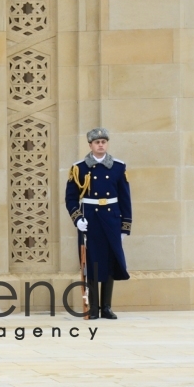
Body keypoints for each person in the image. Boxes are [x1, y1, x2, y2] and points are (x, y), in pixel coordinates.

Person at [65, 128, 131, 320]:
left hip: (111, 219)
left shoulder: (118, 167)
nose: (101, 144)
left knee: (110, 262)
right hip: (90, 220)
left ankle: (106, 307)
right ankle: (93, 307)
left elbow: (125, 199)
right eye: (97, 142)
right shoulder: (79, 168)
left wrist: (125, 226)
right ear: (90, 145)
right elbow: (70, 198)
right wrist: (78, 219)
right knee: (92, 263)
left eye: (103, 141)